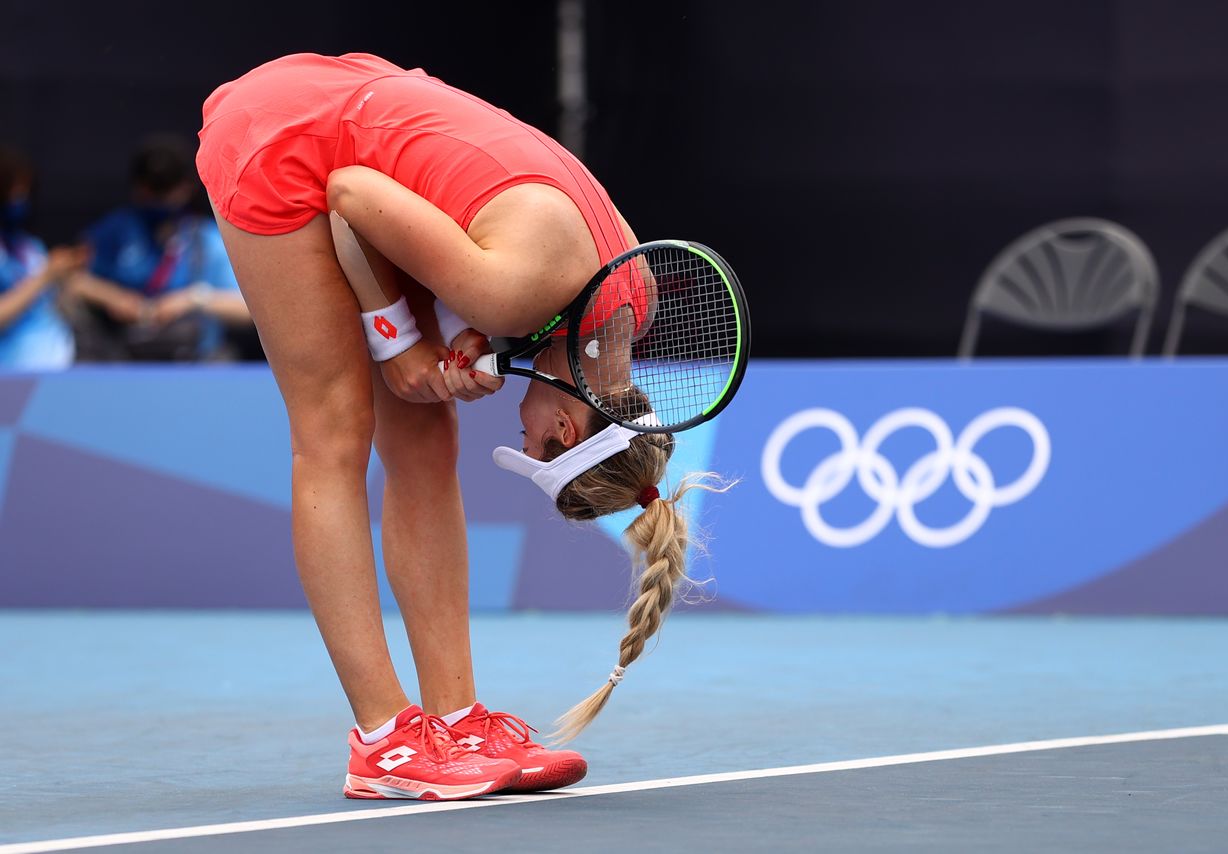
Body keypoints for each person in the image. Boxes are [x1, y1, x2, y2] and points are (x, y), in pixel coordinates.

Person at [197, 53, 710, 801]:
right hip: (290, 134)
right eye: (536, 444)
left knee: (428, 437)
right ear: (569, 427)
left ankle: (457, 719)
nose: (522, 429)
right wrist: (399, 338)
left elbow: (511, 268)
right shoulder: (514, 297)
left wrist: (481, 336)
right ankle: (382, 742)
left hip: (372, 113)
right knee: (334, 433)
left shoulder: (631, 300)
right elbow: (348, 198)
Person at [66, 136, 253, 361]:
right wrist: (112, 297)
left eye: (165, 190)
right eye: (150, 190)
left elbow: (248, 310)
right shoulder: (114, 230)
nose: (157, 199)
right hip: (124, 358)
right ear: (137, 187)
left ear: (185, 189)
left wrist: (193, 300)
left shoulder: (208, 239)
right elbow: (70, 281)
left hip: (195, 362)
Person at [0, 146, 81, 370]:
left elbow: (62, 291)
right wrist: (45, 277)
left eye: (24, 192)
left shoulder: (28, 246)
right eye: (12, 192)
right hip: (13, 379)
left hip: (59, 370)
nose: (20, 199)